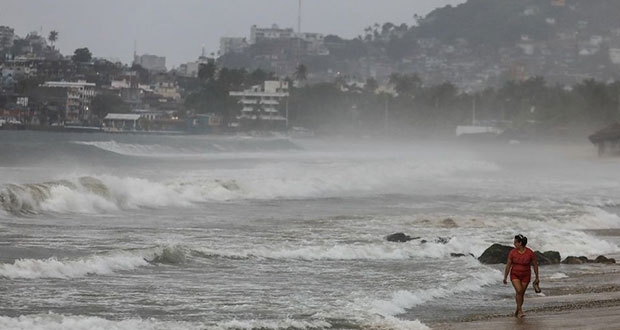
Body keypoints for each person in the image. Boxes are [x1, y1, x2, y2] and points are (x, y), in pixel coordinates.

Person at [503, 234, 539, 318]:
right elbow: (508, 265)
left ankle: (517, 310)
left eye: (515, 242)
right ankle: (520, 310)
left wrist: (537, 277)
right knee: (519, 291)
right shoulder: (512, 252)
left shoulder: (530, 253)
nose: (514, 244)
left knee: (521, 293)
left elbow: (535, 265)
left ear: (520, 243)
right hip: (515, 274)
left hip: (526, 275)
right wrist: (505, 277)